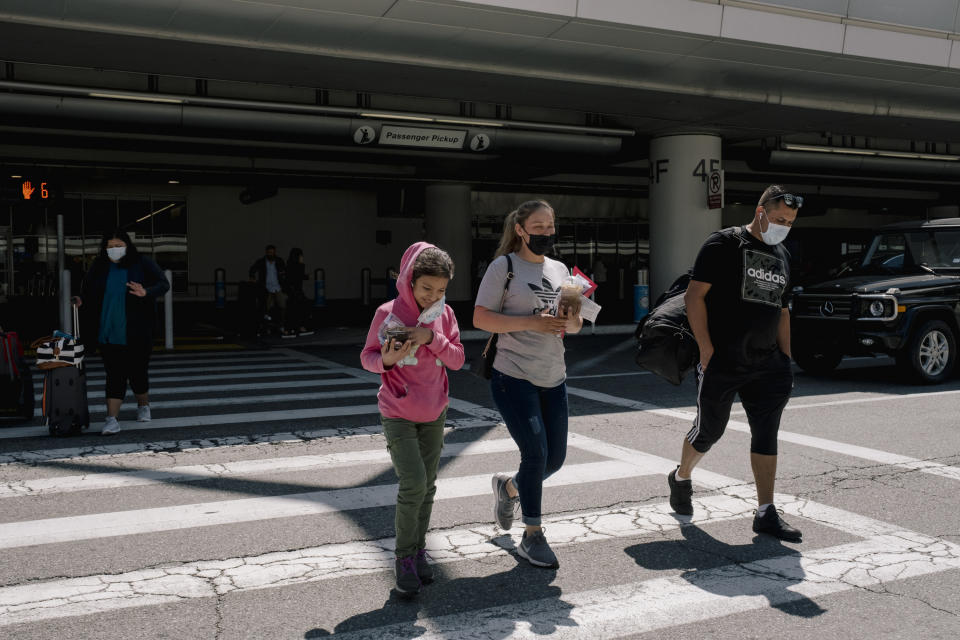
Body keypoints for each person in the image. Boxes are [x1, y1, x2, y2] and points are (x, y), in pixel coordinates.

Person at [668, 185, 801, 541]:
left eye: (789, 222)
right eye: (778, 219)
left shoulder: (783, 254)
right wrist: (706, 349)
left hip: (768, 363)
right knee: (709, 431)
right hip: (724, 358)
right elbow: (694, 296)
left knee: (766, 433)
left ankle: (765, 512)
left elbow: (783, 310)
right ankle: (681, 476)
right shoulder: (724, 243)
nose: (783, 226)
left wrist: (786, 358)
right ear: (760, 211)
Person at [473, 199, 582, 569]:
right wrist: (531, 323)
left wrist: (570, 317)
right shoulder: (503, 267)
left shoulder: (561, 269)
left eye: (550, 226)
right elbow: (480, 318)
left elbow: (575, 325)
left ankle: (508, 488)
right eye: (538, 227)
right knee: (535, 456)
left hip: (554, 374)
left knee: (555, 459)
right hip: (513, 374)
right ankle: (532, 535)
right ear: (520, 230)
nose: (547, 233)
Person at [360, 242, 464, 596]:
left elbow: (457, 359)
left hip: (435, 411)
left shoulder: (444, 316)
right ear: (408, 280)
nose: (432, 297)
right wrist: (386, 361)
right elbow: (367, 357)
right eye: (425, 289)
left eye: (440, 290)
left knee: (428, 486)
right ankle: (404, 558)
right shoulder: (388, 314)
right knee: (414, 483)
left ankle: (419, 551)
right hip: (397, 413)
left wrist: (431, 337)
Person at [74, 229, 170, 435]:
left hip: (137, 329)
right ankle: (111, 419)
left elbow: (163, 283)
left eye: (118, 245)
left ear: (127, 246)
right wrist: (82, 301)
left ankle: (143, 405)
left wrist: (146, 292)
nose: (114, 250)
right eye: (109, 247)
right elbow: (89, 292)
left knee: (137, 373)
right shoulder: (99, 267)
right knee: (114, 374)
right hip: (108, 330)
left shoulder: (142, 263)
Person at [248, 245, 291, 337]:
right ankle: (266, 327)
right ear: (266, 253)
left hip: (277, 287)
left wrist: (283, 276)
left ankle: (281, 326)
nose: (271, 254)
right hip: (266, 288)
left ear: (275, 253)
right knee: (266, 309)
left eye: (272, 252)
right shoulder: (261, 262)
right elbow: (253, 268)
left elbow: (285, 271)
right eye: (269, 253)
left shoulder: (279, 261)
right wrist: (252, 277)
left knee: (282, 306)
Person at [284, 248, 313, 337]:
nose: (302, 258)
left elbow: (291, 277)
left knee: (292, 310)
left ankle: (289, 329)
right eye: (301, 256)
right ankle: (300, 327)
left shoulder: (289, 265)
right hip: (297, 290)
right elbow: (298, 277)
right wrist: (306, 276)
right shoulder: (300, 266)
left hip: (291, 291)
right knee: (302, 308)